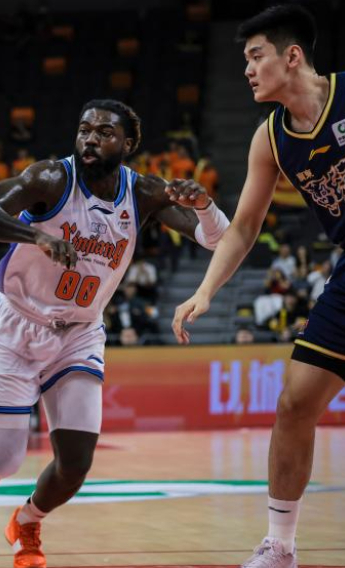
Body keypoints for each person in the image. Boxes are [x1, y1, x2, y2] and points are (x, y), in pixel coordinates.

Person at [0, 99, 229, 567]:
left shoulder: (143, 192)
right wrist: (37, 236)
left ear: (128, 143)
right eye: (85, 130)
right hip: (19, 324)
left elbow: (218, 239)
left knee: (76, 463)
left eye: (104, 132)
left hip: (79, 332)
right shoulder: (50, 178)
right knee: (5, 461)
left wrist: (204, 205)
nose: (91, 140)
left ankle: (27, 522)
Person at [173, 8, 345, 566]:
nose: (247, 69)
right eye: (244, 60)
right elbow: (244, 227)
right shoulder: (269, 138)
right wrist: (205, 291)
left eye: (255, 56)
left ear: (291, 56)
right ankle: (281, 547)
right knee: (294, 403)